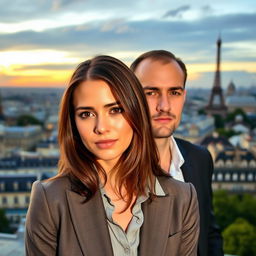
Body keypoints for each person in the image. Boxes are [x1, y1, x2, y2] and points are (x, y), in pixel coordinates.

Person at [25, 55, 199, 256]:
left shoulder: (183, 198)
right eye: (86, 114)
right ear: (73, 123)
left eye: (115, 110)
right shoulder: (50, 200)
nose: (101, 127)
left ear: (137, 112)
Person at [131, 50, 224, 256]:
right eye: (151, 92)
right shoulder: (111, 169)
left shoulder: (200, 158)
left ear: (184, 96)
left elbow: (209, 233)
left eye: (174, 92)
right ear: (131, 98)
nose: (164, 106)